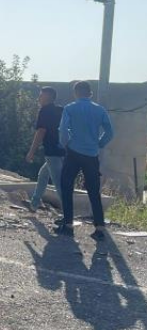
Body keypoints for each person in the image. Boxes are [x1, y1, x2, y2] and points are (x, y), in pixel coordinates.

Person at [55, 80, 114, 240]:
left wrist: (65, 145)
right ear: (90, 93)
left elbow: (63, 131)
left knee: (67, 186)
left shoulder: (70, 108)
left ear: (76, 93)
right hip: (92, 154)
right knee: (93, 190)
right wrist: (99, 143)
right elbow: (110, 132)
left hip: (74, 152)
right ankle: (100, 227)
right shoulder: (100, 110)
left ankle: (68, 225)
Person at [26, 86, 64, 211]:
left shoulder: (44, 111)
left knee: (58, 183)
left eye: (41, 95)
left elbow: (41, 132)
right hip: (63, 150)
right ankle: (34, 204)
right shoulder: (61, 110)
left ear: (48, 97)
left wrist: (31, 152)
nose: (39, 98)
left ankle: (67, 213)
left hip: (52, 151)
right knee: (43, 175)